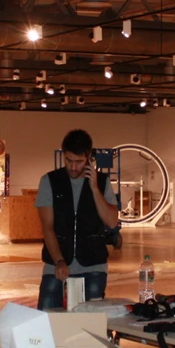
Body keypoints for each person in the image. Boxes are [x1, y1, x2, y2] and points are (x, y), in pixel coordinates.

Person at [36, 129, 120, 309]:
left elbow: (112, 221)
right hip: (56, 265)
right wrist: (59, 261)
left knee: (91, 322)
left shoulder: (102, 182)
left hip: (93, 266)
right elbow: (47, 227)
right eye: (69, 160)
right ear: (63, 155)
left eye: (79, 162)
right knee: (45, 317)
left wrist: (94, 188)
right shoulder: (49, 181)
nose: (73, 167)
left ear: (88, 158)